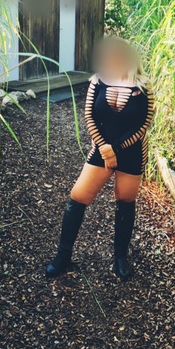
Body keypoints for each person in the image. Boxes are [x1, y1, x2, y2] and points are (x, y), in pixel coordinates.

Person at [45, 36, 154, 281]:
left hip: (132, 152)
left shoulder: (143, 85)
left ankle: (120, 258)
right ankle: (62, 257)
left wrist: (116, 148)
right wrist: (105, 148)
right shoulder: (97, 81)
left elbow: (143, 124)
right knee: (78, 197)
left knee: (125, 201)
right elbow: (89, 117)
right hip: (101, 150)